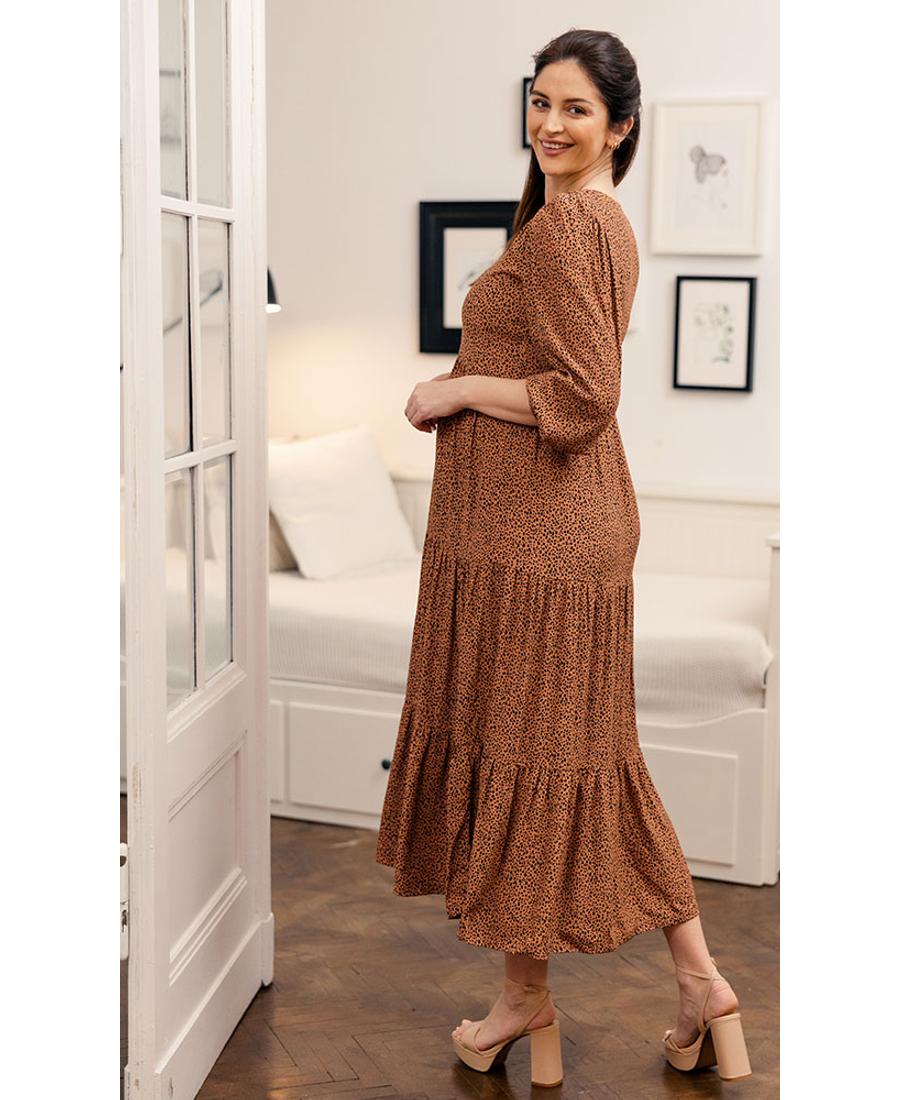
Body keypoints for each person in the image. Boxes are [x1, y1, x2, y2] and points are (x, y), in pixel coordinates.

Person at [375, 28, 751, 1086]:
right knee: (565, 755)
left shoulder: (575, 223)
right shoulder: (582, 220)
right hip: (532, 530)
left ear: (620, 126)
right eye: (541, 101)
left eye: (576, 108)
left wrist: (453, 387)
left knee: (535, 757)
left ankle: (531, 998)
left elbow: (585, 396)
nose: (550, 122)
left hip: (538, 533)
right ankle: (676, 984)